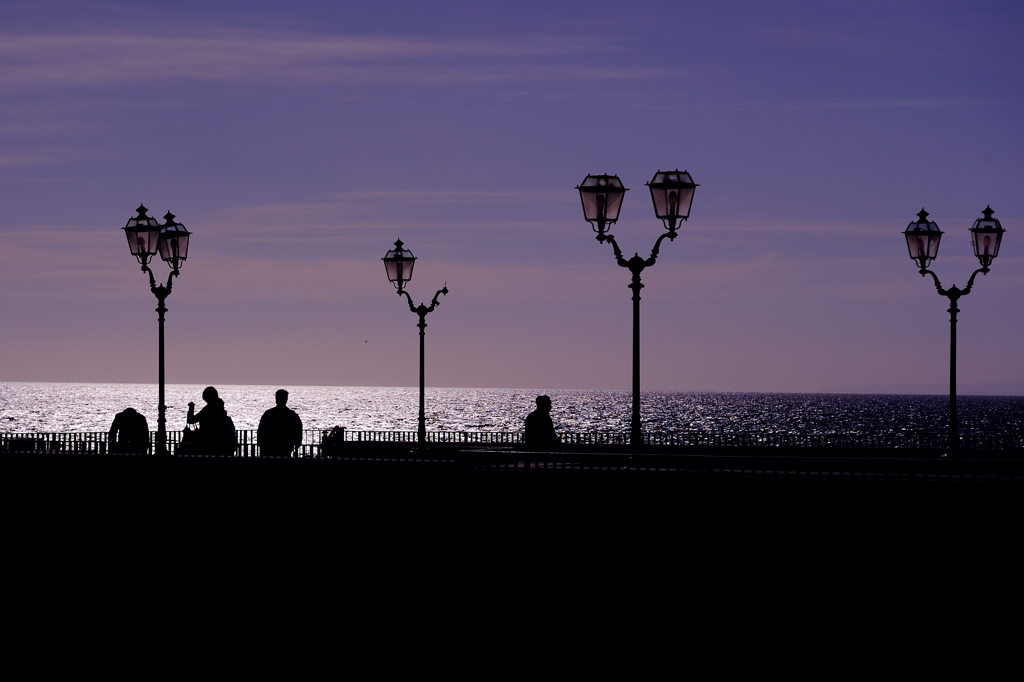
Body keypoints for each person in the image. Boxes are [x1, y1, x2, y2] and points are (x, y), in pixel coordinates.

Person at [184, 386, 237, 456]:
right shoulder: (221, 410)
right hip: (220, 442)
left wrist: (191, 409)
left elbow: (191, 420)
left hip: (207, 441)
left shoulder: (208, 409)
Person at [258, 389, 303, 458]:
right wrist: (296, 444)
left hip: (270, 447)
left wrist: (262, 444)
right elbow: (298, 431)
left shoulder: (268, 414)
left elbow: (261, 431)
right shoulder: (292, 415)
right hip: (285, 447)